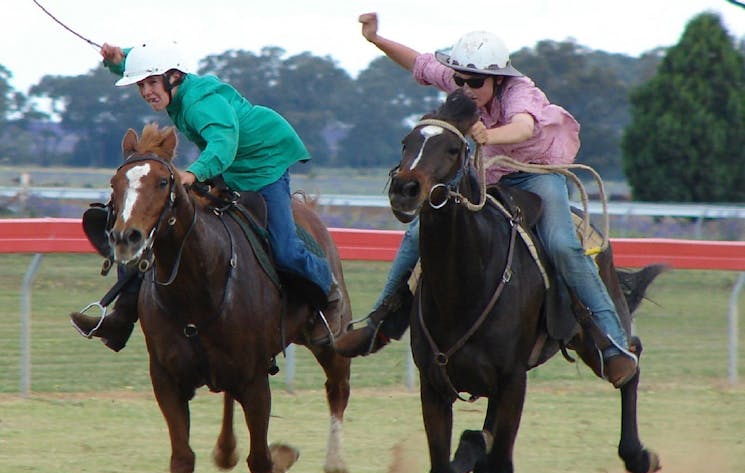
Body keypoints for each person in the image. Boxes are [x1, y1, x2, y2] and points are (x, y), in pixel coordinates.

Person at [333, 13, 639, 388]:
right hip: (484, 174)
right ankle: (380, 322)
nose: (465, 88)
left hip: (535, 176)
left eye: (475, 82)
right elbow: (419, 63)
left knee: (562, 244)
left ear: (498, 78)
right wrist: (375, 39)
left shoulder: (521, 92)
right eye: (459, 79)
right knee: (419, 231)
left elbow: (525, 126)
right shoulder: (464, 83)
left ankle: (612, 345)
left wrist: (488, 137)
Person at [70, 41, 343, 350]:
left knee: (285, 250)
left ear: (173, 77)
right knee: (158, 224)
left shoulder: (201, 105)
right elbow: (150, 59)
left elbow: (222, 144)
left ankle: (329, 292)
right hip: (228, 167)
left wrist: (194, 173)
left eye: (151, 83)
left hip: (265, 165)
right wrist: (119, 61)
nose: (146, 92)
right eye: (141, 85)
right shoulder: (176, 88)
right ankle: (121, 317)